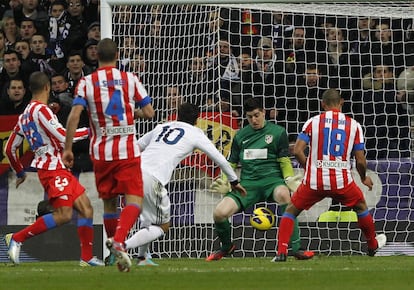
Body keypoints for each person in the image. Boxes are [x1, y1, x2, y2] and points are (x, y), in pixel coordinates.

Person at [63, 38, 155, 272]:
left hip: (101, 152)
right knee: (134, 198)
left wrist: (68, 148)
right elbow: (149, 112)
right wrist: (132, 113)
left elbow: (74, 115)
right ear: (117, 55)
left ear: (96, 57)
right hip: (127, 149)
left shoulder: (86, 82)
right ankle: (120, 241)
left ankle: (114, 255)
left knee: (109, 204)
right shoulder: (130, 79)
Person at [123, 102, 246, 266]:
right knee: (163, 225)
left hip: (133, 173)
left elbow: (136, 147)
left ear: (178, 115)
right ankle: (122, 246)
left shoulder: (161, 127)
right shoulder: (195, 133)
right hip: (153, 178)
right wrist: (234, 181)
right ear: (197, 120)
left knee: (148, 217)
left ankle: (142, 257)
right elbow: (220, 159)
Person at [272, 89, 387, 262]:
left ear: (322, 104)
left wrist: (308, 168)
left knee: (291, 211)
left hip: (314, 181)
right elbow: (361, 160)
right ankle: (372, 245)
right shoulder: (353, 125)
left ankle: (281, 251)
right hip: (342, 182)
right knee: (361, 207)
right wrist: (363, 178)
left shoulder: (313, 122)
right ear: (341, 102)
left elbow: (297, 150)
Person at [4, 71, 104, 267]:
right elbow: (63, 136)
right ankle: (17, 238)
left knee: (86, 209)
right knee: (64, 215)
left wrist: (20, 171)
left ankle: (86, 257)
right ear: (48, 87)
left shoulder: (24, 115)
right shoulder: (42, 110)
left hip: (55, 168)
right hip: (52, 169)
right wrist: (93, 130)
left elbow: (9, 148)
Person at [206, 97, 314, 261]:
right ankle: (227, 247)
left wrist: (289, 177)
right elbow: (232, 162)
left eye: (257, 115)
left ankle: (296, 249)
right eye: (250, 117)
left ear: (264, 112)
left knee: (286, 196)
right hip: (247, 185)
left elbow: (284, 160)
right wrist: (225, 180)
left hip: (272, 181)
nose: (254, 120)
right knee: (219, 213)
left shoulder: (278, 132)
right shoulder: (240, 136)